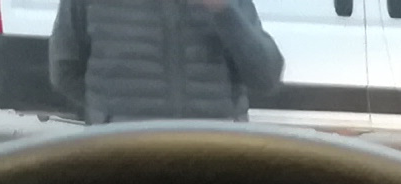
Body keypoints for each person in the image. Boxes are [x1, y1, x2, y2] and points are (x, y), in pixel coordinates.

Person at [49, 0, 283, 123]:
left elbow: (267, 77)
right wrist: (109, 117)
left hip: (214, 154)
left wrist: (224, 10)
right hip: (123, 156)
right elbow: (65, 70)